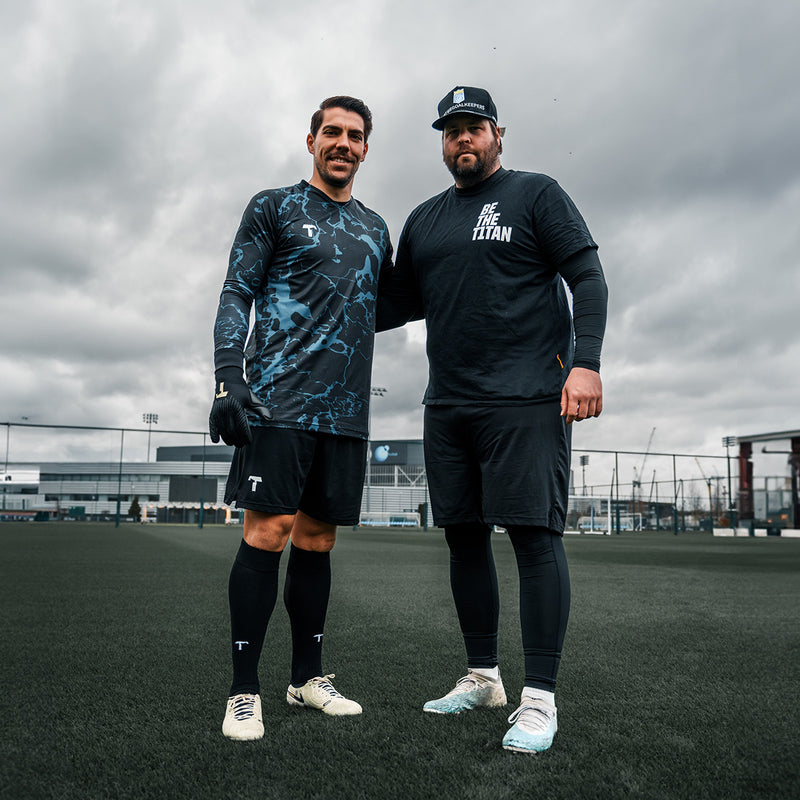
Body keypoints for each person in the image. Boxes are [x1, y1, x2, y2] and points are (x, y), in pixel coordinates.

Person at [377, 86, 608, 753]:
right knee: (464, 538)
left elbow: (587, 277)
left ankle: (540, 700)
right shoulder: (425, 219)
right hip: (449, 403)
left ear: (497, 134)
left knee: (533, 537)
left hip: (527, 397)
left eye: (474, 127)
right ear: (442, 141)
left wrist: (586, 364)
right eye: (451, 130)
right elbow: (397, 304)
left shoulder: (537, 194)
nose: (463, 139)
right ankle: (483, 676)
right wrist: (323, 291)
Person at [210, 96, 392, 741]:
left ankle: (306, 679)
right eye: (332, 132)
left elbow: (385, 303)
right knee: (270, 532)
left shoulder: (376, 228)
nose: (344, 143)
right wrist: (228, 376)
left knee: (317, 540)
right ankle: (243, 692)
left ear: (366, 148)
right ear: (311, 140)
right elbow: (237, 289)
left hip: (345, 412)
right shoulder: (274, 206)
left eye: (355, 135)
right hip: (277, 401)